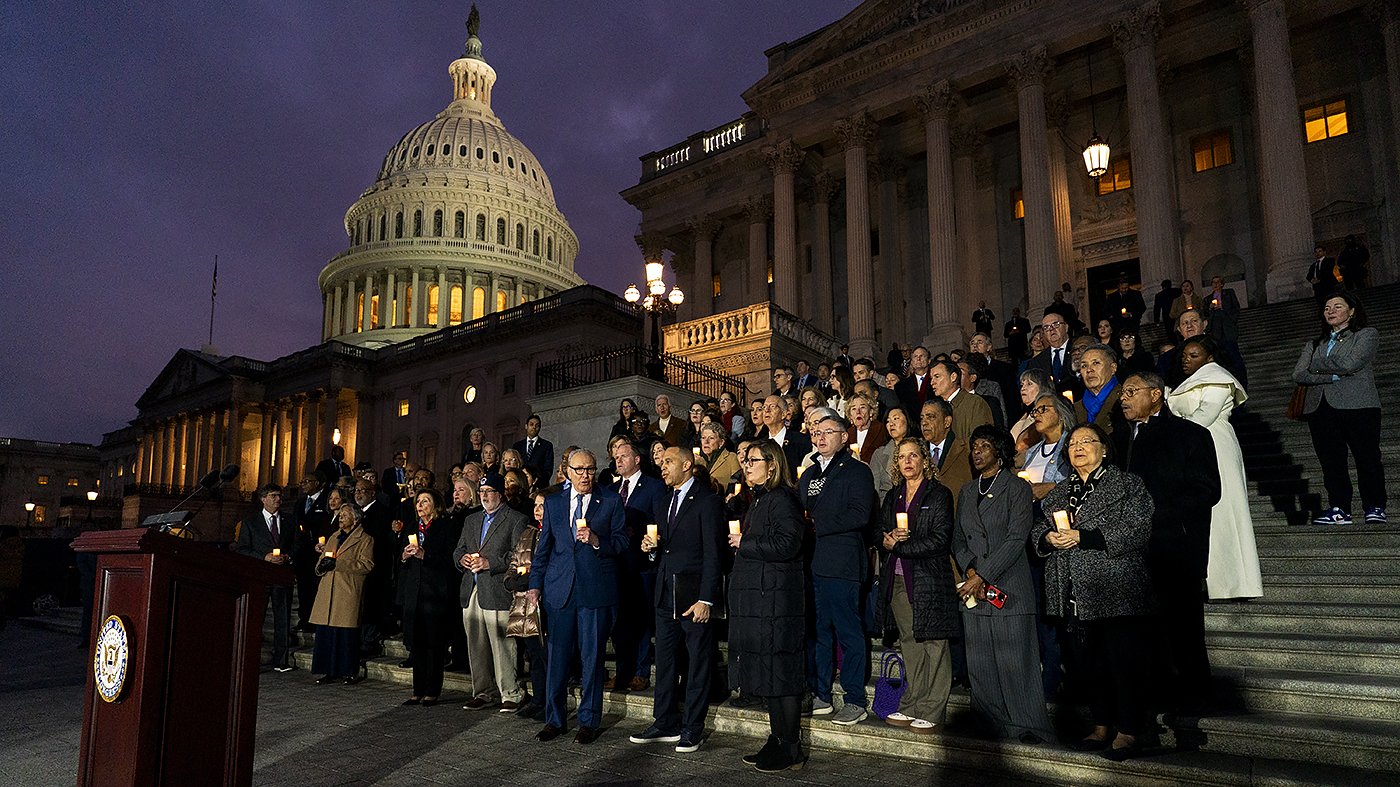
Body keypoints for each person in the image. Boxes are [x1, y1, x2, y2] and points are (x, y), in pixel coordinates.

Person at [1036, 424, 1155, 760]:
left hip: (1115, 587)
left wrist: (1083, 537)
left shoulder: (1127, 484)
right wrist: (1047, 538)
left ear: (1104, 448)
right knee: (1088, 664)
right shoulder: (1059, 492)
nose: (1078, 447)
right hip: (1074, 591)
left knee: (1123, 663)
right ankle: (1101, 725)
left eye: (1087, 441)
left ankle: (1129, 731)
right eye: (1072, 443)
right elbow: (1038, 529)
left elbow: (1138, 527)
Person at [1115, 372, 1220, 713]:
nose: (1124, 398)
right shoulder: (1120, 439)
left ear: (1156, 394)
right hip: (1132, 553)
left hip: (1175, 548)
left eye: (1132, 391)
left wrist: (1154, 514)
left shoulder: (1190, 434)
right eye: (1123, 393)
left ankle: (1193, 698)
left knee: (1183, 628)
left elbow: (1207, 490)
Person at [954, 426, 1055, 744]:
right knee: (981, 663)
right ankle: (990, 723)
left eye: (984, 445)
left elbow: (1016, 539)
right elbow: (958, 539)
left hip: (1008, 587)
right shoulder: (967, 491)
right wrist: (971, 570)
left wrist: (981, 576)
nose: (977, 451)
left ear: (1000, 450)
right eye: (974, 446)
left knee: (1016, 662)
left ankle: (1028, 725)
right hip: (975, 591)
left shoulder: (1016, 488)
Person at [527, 449, 628, 744]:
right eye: (580, 469)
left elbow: (622, 542)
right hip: (559, 591)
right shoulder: (555, 503)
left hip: (595, 591)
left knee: (591, 658)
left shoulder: (609, 500)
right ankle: (554, 720)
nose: (586, 475)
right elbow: (543, 549)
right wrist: (535, 585)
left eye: (591, 469)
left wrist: (598, 541)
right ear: (567, 471)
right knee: (557, 659)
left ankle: (588, 721)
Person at [629, 448, 725, 753]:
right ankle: (665, 721)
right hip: (664, 594)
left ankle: (692, 727)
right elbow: (664, 549)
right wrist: (651, 549)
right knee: (666, 661)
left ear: (687, 464)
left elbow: (714, 553)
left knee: (698, 663)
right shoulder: (663, 500)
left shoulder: (707, 501)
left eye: (668, 461)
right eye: (660, 462)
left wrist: (707, 599)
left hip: (693, 594)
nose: (662, 466)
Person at [725, 438, 809, 770]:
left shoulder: (782, 499)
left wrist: (747, 542)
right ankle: (777, 739)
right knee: (770, 676)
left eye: (752, 460)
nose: (746, 465)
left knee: (782, 676)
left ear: (771, 465)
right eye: (744, 461)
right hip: (763, 601)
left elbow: (789, 543)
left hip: (776, 602)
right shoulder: (760, 500)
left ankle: (790, 747)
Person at [1168, 336, 1263, 600]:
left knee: (1225, 512)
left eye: (1194, 355)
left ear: (1209, 357)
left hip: (1215, 443)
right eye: (1185, 355)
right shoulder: (1188, 382)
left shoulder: (1218, 378)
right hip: (1194, 444)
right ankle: (1210, 581)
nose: (1187, 360)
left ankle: (1234, 583)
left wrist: (1172, 439)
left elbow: (1204, 416)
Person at [876, 437, 959, 734]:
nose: (908, 461)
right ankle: (912, 702)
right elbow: (880, 530)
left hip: (930, 577)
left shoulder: (939, 494)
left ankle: (934, 708)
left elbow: (940, 539)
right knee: (910, 643)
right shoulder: (894, 495)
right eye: (902, 457)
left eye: (914, 456)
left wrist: (900, 548)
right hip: (898, 578)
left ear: (925, 460)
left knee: (934, 642)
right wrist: (886, 541)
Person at [800, 411, 878, 725]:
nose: (819, 437)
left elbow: (860, 514)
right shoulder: (807, 474)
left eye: (827, 431)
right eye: (815, 432)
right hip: (815, 563)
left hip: (844, 563)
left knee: (848, 631)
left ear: (843, 436)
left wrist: (817, 523)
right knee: (819, 632)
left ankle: (855, 699)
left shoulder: (857, 471)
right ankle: (821, 695)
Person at [1292, 291, 1385, 525]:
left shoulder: (1366, 335)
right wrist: (1332, 376)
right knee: (1331, 461)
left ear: (1351, 311)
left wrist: (1316, 366)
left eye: (1337, 307)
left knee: (1367, 457)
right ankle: (1339, 508)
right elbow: (1299, 374)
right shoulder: (1314, 343)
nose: (1330, 311)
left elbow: (1351, 363)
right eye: (1326, 308)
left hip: (1359, 405)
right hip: (1321, 408)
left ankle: (1374, 506)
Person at [453, 472, 529, 711]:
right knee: (476, 644)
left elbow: (518, 555)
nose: (485, 496)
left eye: (489, 492)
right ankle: (483, 691)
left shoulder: (515, 519)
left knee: (501, 645)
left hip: (496, 589)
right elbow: (459, 549)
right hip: (473, 588)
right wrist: (462, 559)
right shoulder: (471, 520)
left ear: (500, 494)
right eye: (482, 492)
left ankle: (510, 692)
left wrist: (490, 563)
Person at [608, 439, 665, 693]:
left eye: (623, 456)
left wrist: (650, 543)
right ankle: (622, 672)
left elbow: (659, 523)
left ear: (637, 459)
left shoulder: (653, 487)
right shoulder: (611, 490)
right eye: (615, 457)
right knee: (620, 623)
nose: (618, 460)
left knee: (640, 621)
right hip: (617, 566)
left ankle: (641, 671)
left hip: (642, 565)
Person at [398, 487, 464, 706]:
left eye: (425, 501)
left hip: (435, 592)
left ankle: (432, 690)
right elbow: (399, 557)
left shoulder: (445, 526)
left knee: (434, 643)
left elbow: (449, 559)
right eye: (418, 501)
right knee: (417, 643)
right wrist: (405, 556)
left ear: (435, 505)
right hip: (415, 592)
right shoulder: (412, 527)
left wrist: (425, 555)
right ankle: (417, 690)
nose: (420, 505)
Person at [310, 502, 374, 684]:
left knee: (345, 635)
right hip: (328, 590)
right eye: (340, 515)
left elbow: (366, 564)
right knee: (327, 634)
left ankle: (348, 671)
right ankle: (328, 670)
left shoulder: (365, 539)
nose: (341, 517)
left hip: (347, 590)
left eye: (345, 515)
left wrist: (338, 564)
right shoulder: (334, 536)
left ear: (355, 518)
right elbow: (323, 560)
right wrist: (321, 567)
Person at [235, 483, 296, 672]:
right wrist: (264, 557)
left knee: (282, 619)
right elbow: (242, 549)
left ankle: (281, 660)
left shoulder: (290, 520)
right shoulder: (250, 523)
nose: (278, 499)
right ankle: (250, 659)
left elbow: (298, 545)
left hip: (281, 576)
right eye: (273, 496)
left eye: (279, 496)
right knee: (255, 619)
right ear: (263, 499)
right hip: (260, 577)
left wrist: (288, 557)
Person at [930, 360, 993, 451]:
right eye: (931, 378)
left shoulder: (975, 403)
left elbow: (982, 442)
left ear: (953, 377)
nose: (932, 382)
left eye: (937, 377)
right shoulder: (936, 408)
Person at [1021, 394, 1075, 500]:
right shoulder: (1031, 452)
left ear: (1060, 413)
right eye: (1035, 411)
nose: (1036, 415)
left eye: (1043, 409)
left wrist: (1052, 487)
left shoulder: (1072, 445)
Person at [920, 398, 972, 505]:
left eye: (931, 417)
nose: (924, 423)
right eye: (922, 418)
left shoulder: (966, 451)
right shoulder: (917, 453)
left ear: (947, 422)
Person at [1074, 345, 1125, 434]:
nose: (1089, 370)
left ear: (1113, 368)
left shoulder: (1125, 399)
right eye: (1084, 366)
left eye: (1096, 363)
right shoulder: (1075, 409)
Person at [870, 406, 912, 500]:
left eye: (896, 419)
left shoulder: (921, 448)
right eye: (888, 421)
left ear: (908, 421)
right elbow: (874, 490)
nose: (891, 424)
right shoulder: (879, 454)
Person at [1026, 313, 1074, 395]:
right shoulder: (1036, 362)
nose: (1051, 329)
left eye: (1056, 324)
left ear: (1066, 327)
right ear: (1044, 334)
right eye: (1046, 327)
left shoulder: (1078, 349)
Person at [1010, 369, 1052, 459]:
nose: (1023, 388)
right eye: (1022, 385)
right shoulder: (1023, 414)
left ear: (1042, 387)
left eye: (1029, 384)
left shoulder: (1046, 414)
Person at [846, 393, 888, 464]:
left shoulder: (882, 430)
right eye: (853, 409)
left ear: (871, 412)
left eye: (862, 407)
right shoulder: (847, 434)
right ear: (850, 416)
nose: (858, 412)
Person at [512, 414, 555, 481]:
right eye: (531, 424)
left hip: (539, 484)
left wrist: (538, 480)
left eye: (537, 425)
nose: (534, 427)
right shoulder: (517, 446)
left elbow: (548, 469)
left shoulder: (546, 445)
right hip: (521, 483)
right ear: (526, 426)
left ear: (540, 428)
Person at [895, 345, 935, 416]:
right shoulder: (901, 386)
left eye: (922, 356)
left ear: (929, 361)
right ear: (912, 362)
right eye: (915, 356)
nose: (918, 359)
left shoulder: (936, 381)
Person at [698, 422, 740, 486]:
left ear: (721, 442)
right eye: (703, 438)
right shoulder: (697, 460)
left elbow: (737, 483)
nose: (706, 442)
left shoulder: (731, 458)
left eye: (711, 438)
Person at [1205, 276, 1241, 345]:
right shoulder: (1208, 299)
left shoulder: (1229, 293)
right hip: (1215, 325)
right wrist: (1210, 307)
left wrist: (1232, 319)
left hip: (1227, 322)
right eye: (1213, 282)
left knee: (1232, 347)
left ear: (1221, 284)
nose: (1215, 284)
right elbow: (1205, 313)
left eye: (1217, 282)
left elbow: (1235, 307)